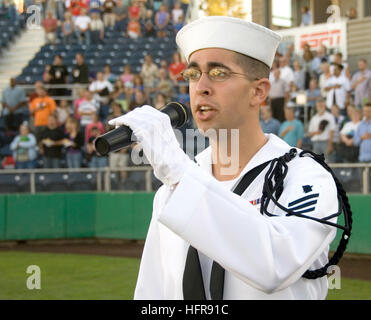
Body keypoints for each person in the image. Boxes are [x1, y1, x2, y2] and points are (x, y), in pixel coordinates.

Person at [109, 16, 340, 299]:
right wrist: (179, 175)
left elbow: (274, 265)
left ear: (258, 91)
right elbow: (153, 294)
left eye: (218, 73)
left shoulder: (306, 176)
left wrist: (178, 171)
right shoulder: (173, 188)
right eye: (193, 74)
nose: (201, 86)